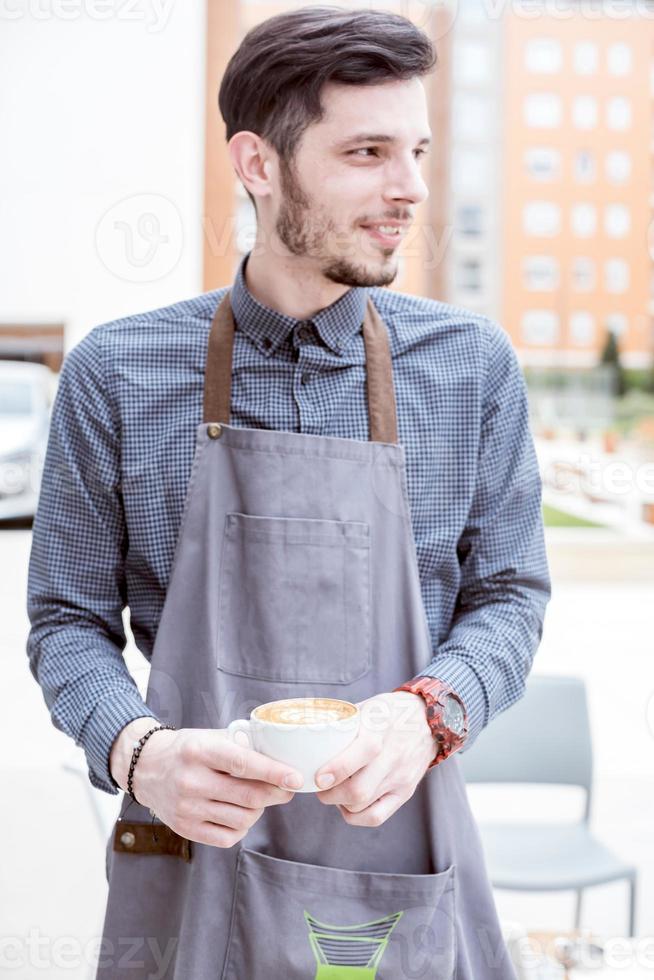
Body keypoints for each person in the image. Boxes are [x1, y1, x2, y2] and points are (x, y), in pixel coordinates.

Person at [26, 7, 550, 978]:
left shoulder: (472, 370)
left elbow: (512, 597)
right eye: (367, 151)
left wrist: (430, 713)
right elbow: (65, 621)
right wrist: (140, 753)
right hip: (192, 855)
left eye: (417, 151)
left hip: (402, 855)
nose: (410, 190)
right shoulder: (117, 375)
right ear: (258, 165)